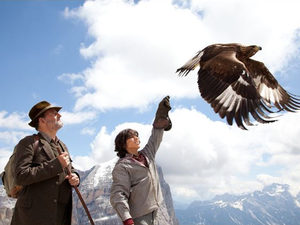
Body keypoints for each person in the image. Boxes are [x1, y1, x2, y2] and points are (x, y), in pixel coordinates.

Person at [10, 100, 80, 225]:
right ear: (41, 120)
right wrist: (57, 164)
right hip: (34, 217)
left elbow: (70, 168)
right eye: (54, 113)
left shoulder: (62, 145)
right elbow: (21, 175)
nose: (59, 115)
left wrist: (75, 177)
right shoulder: (29, 143)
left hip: (60, 214)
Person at [110, 96, 172, 225]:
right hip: (139, 216)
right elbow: (118, 194)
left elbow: (155, 136)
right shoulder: (122, 167)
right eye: (132, 137)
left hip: (155, 210)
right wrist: (127, 218)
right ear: (122, 143)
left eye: (137, 136)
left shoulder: (147, 154)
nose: (136, 138)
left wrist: (161, 115)